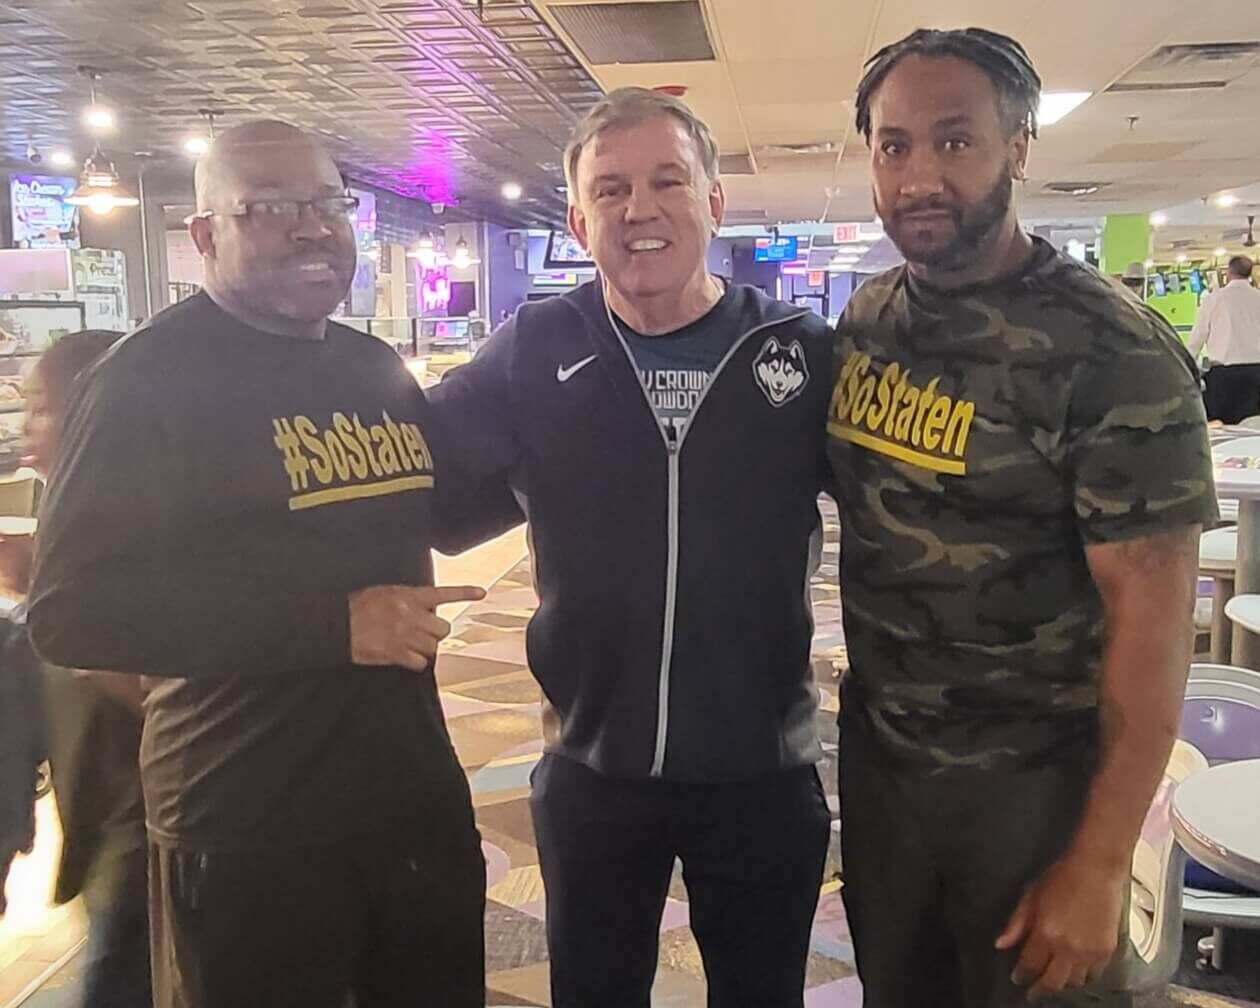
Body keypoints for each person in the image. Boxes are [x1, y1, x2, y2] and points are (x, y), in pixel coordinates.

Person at [28, 121, 492, 1008]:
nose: (312, 227)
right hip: (248, 825)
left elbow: (449, 512)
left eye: (328, 204)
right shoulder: (144, 382)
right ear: (205, 234)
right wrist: (331, 625)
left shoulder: (372, 368)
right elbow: (72, 610)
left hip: (410, 803)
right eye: (270, 208)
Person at [828, 28, 1215, 1007]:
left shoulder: (1112, 354)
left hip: (1038, 794)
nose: (920, 175)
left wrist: (1100, 861)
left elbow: (1155, 629)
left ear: (1018, 146)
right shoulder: (868, 321)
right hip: (884, 780)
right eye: (894, 145)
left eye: (955, 140)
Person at [429, 87, 833, 1007]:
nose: (638, 209)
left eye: (667, 182)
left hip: (762, 769)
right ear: (579, 221)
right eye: (610, 190)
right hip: (591, 771)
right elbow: (418, 478)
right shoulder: (537, 346)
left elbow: (903, 512)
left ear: (714, 202)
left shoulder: (797, 350)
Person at [0, 330, 151, 1006]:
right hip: (105, 836)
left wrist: (64, 622)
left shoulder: (145, 534)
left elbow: (181, 696)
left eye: (43, 407)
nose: (28, 427)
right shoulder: (67, 528)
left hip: (152, 838)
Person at [1187, 255, 1260, 422]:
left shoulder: (1214, 299)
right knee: (1253, 424)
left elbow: (1198, 337)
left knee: (1221, 425)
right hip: (1256, 374)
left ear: (1228, 273)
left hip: (1224, 376)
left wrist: (1186, 364)